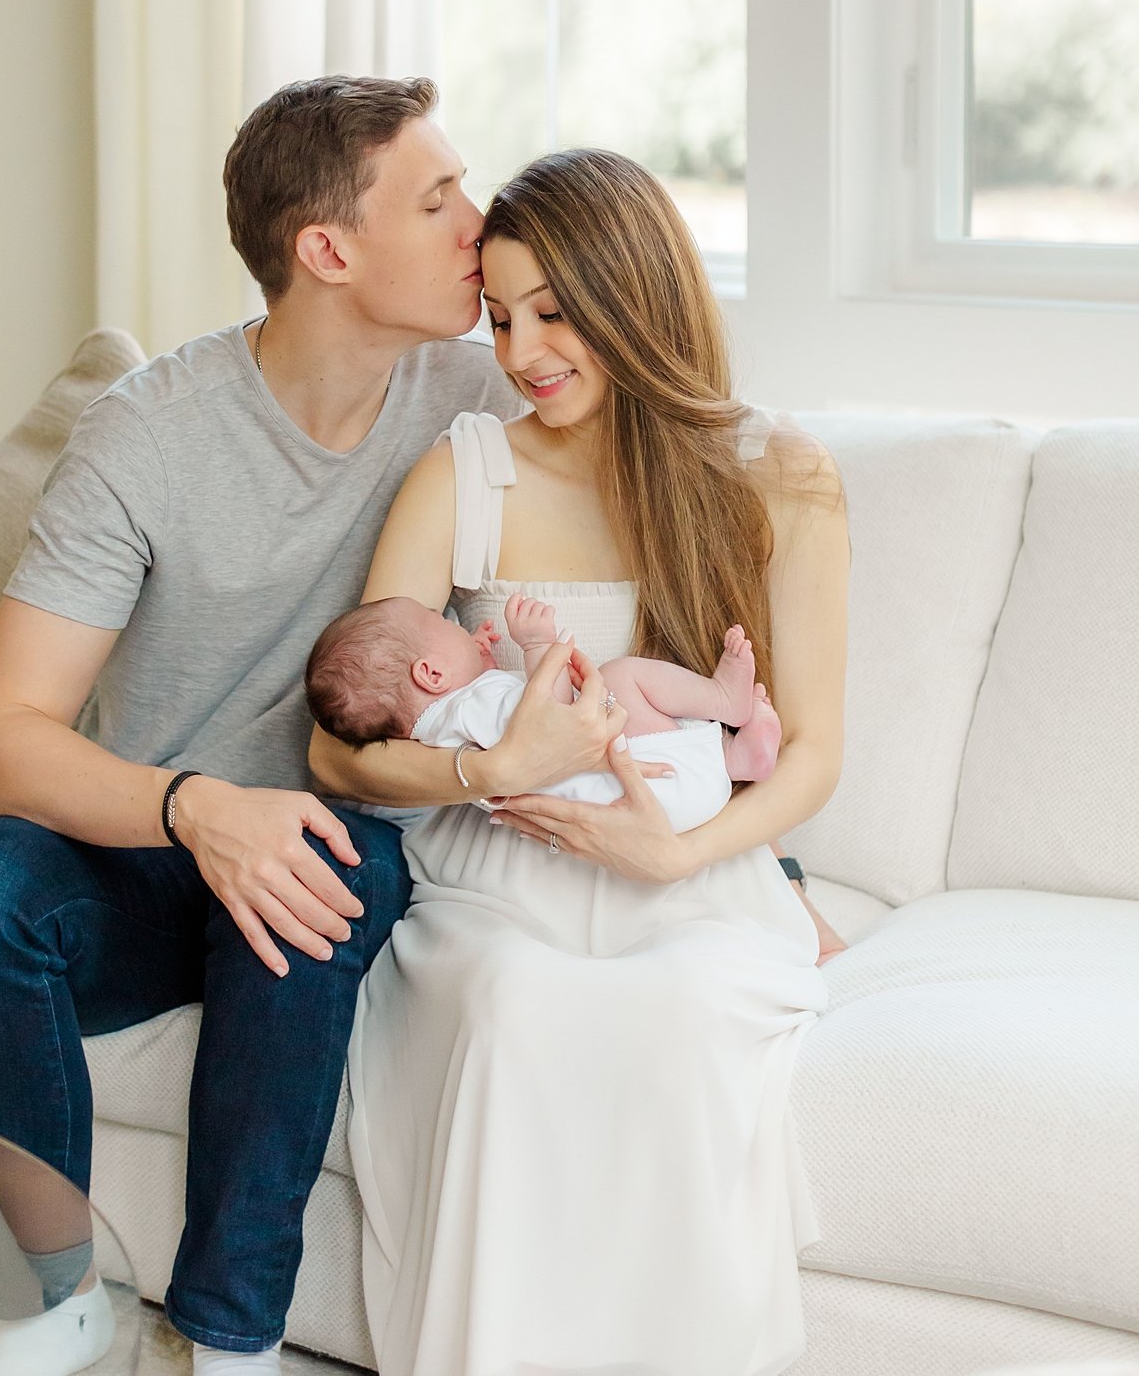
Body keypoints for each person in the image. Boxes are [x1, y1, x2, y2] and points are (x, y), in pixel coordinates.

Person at [0, 75, 568, 1376]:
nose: (477, 221)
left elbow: (638, 553)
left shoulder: (481, 401)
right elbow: (2, 738)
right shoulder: (145, 435)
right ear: (327, 249)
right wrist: (197, 805)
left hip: (340, 839)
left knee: (310, 863)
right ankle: (52, 1292)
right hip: (146, 850)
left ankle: (227, 1334)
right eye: (437, 199)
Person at [308, 148, 851, 1376]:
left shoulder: (781, 474)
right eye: (500, 316)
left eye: (554, 312)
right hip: (502, 866)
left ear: (636, 297)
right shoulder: (469, 472)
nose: (521, 350)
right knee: (513, 1009)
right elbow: (334, 746)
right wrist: (487, 767)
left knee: (686, 1020)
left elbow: (812, 752)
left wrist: (679, 851)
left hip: (683, 861)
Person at [305, 590, 782, 811]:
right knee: (622, 675)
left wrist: (481, 661)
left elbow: (506, 719)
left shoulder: (446, 725)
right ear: (431, 674)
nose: (458, 627)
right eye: (445, 625)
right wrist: (536, 647)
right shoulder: (472, 707)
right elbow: (551, 723)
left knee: (628, 707)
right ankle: (723, 701)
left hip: (650, 798)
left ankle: (732, 757)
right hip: (643, 795)